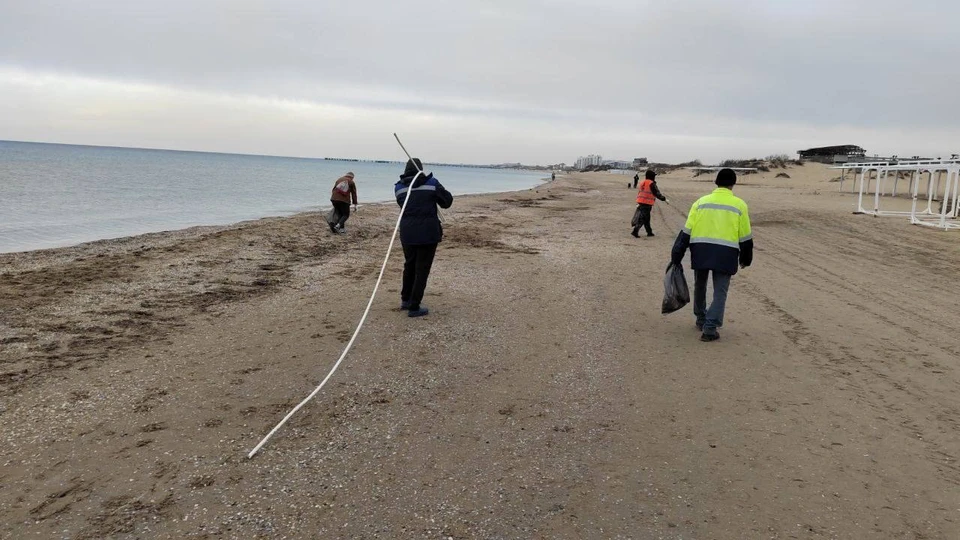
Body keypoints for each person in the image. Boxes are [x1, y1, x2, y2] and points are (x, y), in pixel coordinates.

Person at [671, 168, 753, 342]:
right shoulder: (739, 205)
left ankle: (701, 319)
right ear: (733, 183)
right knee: (720, 291)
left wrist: (676, 255)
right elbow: (745, 237)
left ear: (716, 182)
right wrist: (746, 259)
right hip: (726, 253)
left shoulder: (700, 202)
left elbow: (686, 231)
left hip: (700, 250)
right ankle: (710, 328)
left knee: (700, 285)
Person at [395, 158, 454, 317]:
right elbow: (447, 201)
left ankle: (406, 299)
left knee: (410, 265)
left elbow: (408, 204)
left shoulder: (399, 188)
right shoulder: (432, 183)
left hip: (407, 233)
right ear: (420, 169)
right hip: (428, 233)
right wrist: (432, 188)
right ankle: (414, 306)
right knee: (422, 269)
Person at [631, 169, 668, 238]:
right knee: (643, 218)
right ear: (651, 176)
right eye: (654, 176)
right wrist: (663, 198)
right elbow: (656, 193)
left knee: (646, 218)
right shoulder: (651, 183)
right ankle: (635, 231)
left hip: (640, 201)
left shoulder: (643, 182)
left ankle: (649, 232)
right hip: (646, 203)